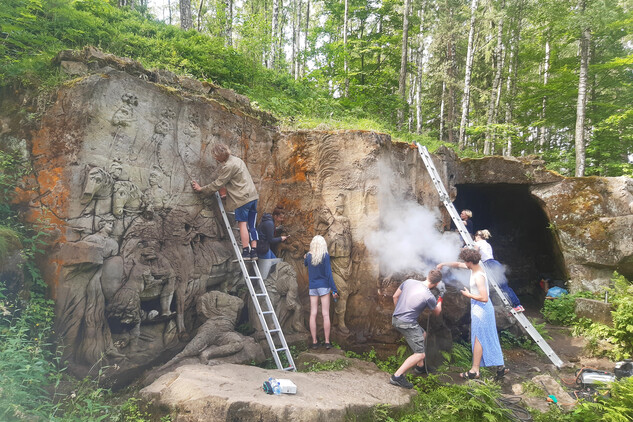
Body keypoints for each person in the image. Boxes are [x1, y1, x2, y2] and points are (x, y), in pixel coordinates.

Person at [437, 248, 507, 381]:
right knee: (485, 337)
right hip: (480, 309)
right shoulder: (475, 267)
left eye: (465, 261)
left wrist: (468, 294)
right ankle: (500, 366)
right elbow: (458, 265)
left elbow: (484, 297)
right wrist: (443, 264)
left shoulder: (478, 276)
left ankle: (475, 370)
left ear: (470, 262)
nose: (464, 263)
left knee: (479, 339)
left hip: (482, 311)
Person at [191, 143, 259, 261]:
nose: (215, 159)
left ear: (220, 156)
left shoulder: (228, 166)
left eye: (216, 157)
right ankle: (254, 251)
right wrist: (228, 194)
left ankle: (246, 251)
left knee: (243, 224)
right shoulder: (238, 160)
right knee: (252, 225)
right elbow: (238, 181)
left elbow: (218, 183)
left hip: (242, 199)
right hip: (253, 197)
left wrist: (201, 189)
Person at [389, 270, 443, 389]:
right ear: (437, 283)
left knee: (423, 333)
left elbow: (395, 296)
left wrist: (399, 312)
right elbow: (437, 312)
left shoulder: (409, 282)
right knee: (420, 354)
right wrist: (440, 300)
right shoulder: (429, 296)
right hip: (407, 323)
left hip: (396, 318)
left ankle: (419, 367)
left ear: (427, 276)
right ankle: (397, 377)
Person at [474, 230, 524, 312]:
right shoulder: (487, 244)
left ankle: (515, 305)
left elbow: (474, 253)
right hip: (495, 263)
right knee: (505, 286)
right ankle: (518, 305)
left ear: (477, 237)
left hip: (489, 264)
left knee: (500, 287)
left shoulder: (478, 243)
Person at [304, 235, 338, 350]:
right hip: (324, 286)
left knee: (313, 314)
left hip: (312, 287)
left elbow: (305, 264)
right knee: (325, 314)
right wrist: (334, 289)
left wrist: (305, 257)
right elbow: (328, 274)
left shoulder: (308, 256)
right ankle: (327, 342)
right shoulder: (325, 256)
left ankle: (314, 342)